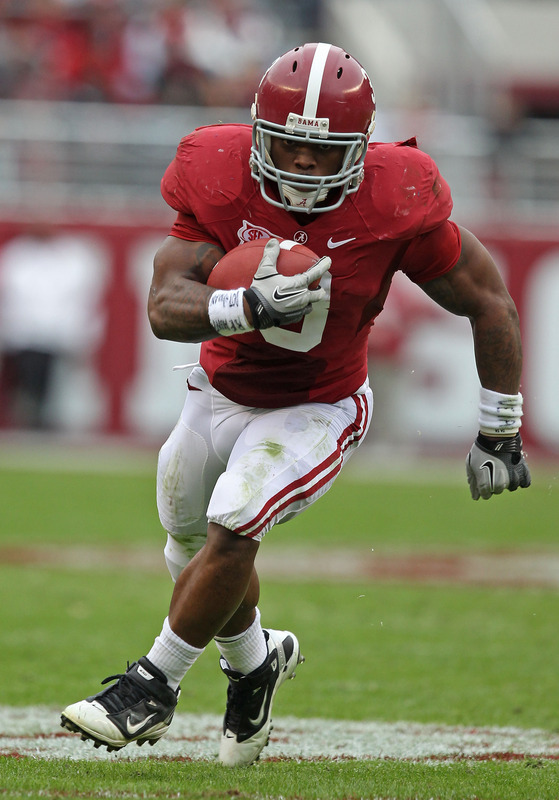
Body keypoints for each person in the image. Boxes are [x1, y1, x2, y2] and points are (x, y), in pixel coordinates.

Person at [61, 42, 531, 766]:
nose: (304, 164)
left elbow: (488, 299)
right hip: (219, 388)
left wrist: (500, 427)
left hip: (319, 403)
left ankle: (150, 687)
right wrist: (244, 305)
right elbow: (163, 303)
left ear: (361, 149)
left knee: (236, 518)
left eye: (324, 149)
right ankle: (254, 665)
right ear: (257, 133)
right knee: (187, 544)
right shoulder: (216, 173)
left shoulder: (396, 196)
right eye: (288, 144)